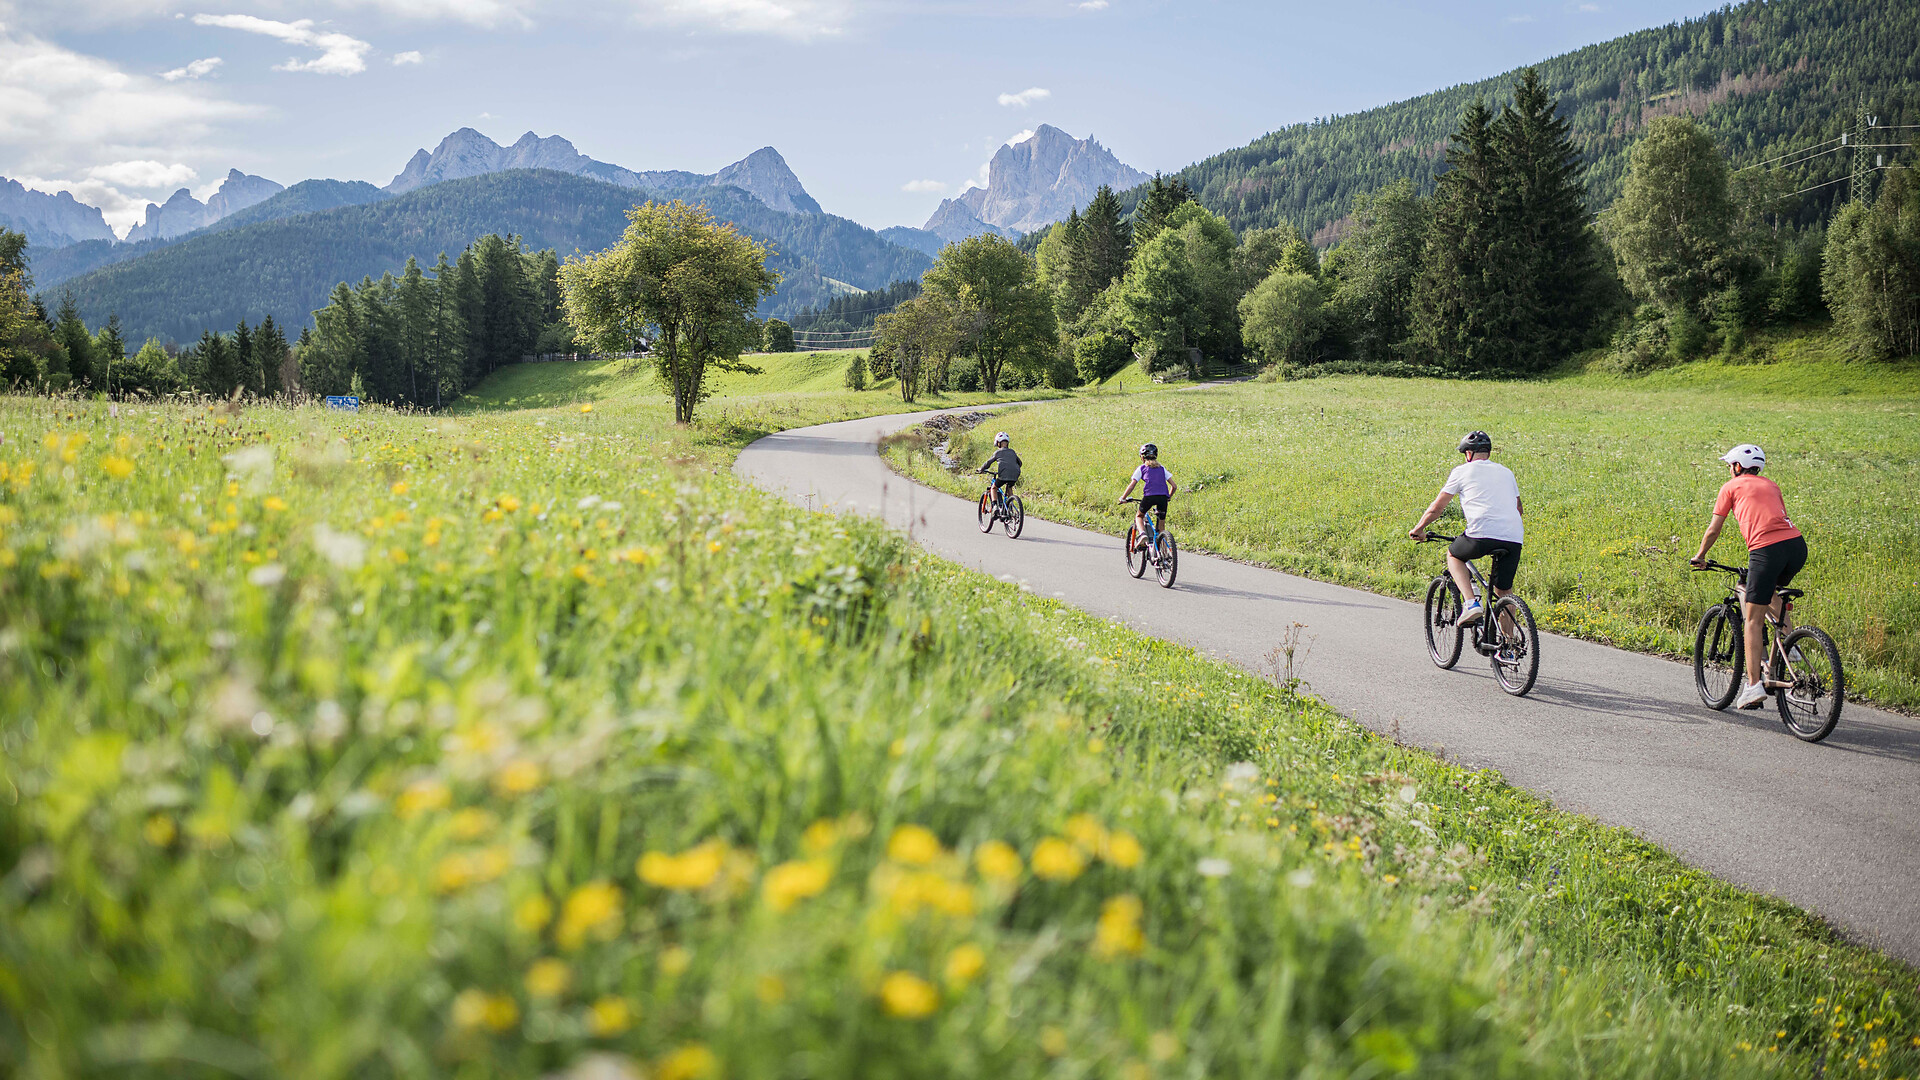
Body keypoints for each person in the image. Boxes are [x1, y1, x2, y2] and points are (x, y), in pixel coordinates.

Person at [1690, 443, 1807, 710]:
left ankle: (1753, 686)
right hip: (1796, 547)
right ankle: (1791, 648)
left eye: (1730, 465)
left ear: (1737, 467)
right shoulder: (1772, 485)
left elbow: (1713, 529)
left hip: (1766, 549)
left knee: (1752, 621)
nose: (1730, 470)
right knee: (1771, 593)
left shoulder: (1730, 487)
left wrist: (1700, 555)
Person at [1409, 431, 1524, 629]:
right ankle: (1508, 647)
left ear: (1468, 454)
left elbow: (1437, 508)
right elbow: (1519, 509)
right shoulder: (1506, 472)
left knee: (1454, 555)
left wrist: (1419, 528)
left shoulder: (1461, 471)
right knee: (1504, 591)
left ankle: (1471, 603)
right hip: (1513, 537)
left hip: (1480, 534)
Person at [1117, 443, 1177, 550]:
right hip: (1163, 497)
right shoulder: (1162, 468)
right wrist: (1168, 497)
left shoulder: (1142, 468)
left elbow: (1132, 485)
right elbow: (1174, 486)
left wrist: (1123, 497)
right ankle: (1162, 553)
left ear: (1142, 457)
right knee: (1161, 526)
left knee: (1139, 516)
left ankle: (1143, 535)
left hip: (1149, 496)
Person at [978, 431, 1021, 513]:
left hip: (1003, 475)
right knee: (1009, 488)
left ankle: (995, 507)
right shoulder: (1012, 452)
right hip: (1015, 474)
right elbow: (1020, 463)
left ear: (998, 443)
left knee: (993, 488)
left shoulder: (997, 452)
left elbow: (988, 463)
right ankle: (1010, 507)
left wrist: (981, 469)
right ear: (1007, 443)